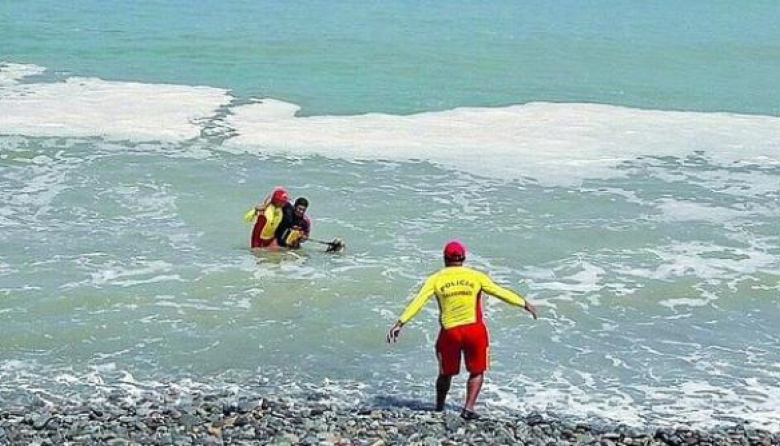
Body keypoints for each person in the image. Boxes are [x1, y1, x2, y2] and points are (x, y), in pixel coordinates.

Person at [386, 240, 538, 420]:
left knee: (445, 373)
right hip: (475, 330)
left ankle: (439, 408)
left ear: (444, 259)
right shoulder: (476, 276)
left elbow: (418, 301)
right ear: (464, 258)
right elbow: (500, 292)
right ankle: (468, 408)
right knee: (477, 371)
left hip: (450, 332)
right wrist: (523, 303)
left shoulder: (435, 279)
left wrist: (400, 323)